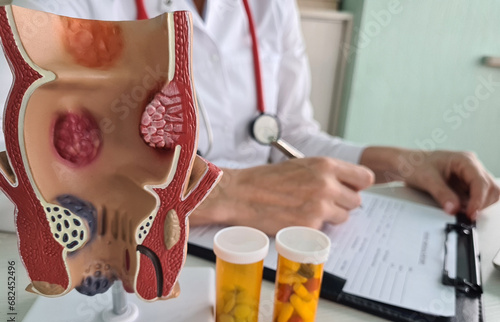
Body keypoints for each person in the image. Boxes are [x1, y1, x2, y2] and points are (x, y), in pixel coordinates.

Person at [0, 0, 498, 235]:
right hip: (134, 262)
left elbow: (289, 135)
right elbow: (21, 176)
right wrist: (229, 193)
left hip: (263, 248)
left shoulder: (270, 8)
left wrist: (405, 163)